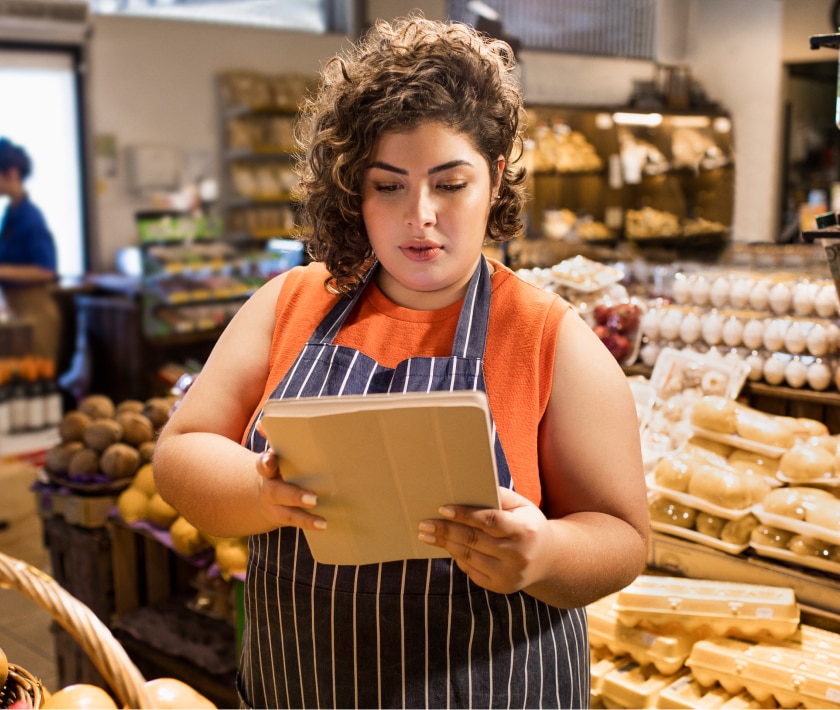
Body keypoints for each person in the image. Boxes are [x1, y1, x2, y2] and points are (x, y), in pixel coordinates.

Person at [154, 14, 649, 709]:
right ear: (355, 187)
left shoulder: (550, 339)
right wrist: (260, 491)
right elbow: (179, 456)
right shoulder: (287, 304)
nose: (420, 215)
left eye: (451, 183)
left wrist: (542, 554)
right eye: (389, 185)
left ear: (496, 177)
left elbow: (623, 540)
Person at [0, 138, 60, 365]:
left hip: (35, 310)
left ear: (12, 173)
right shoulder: (10, 214)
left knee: (36, 386)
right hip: (14, 307)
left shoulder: (31, 216)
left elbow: (46, 270)